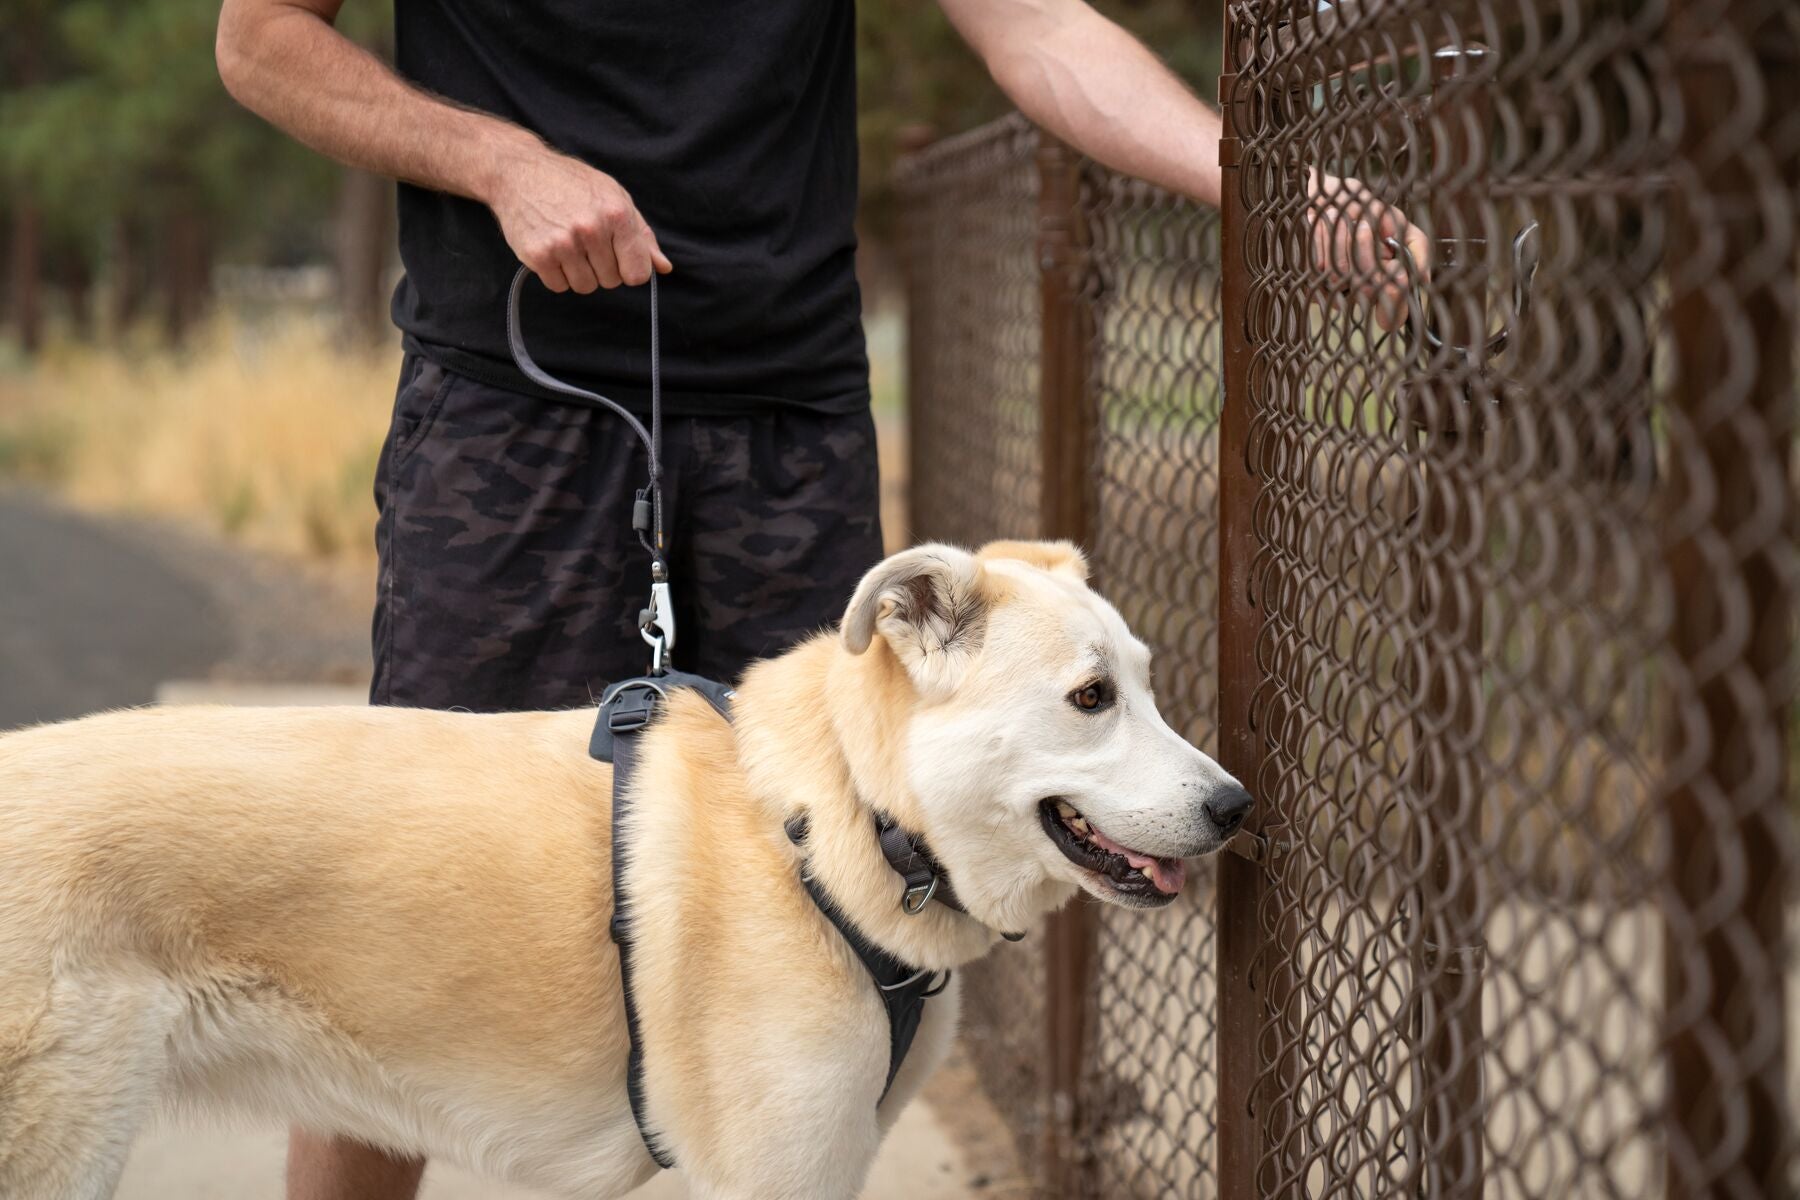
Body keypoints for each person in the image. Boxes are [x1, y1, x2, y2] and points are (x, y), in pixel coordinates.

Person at [213, 0, 1425, 1195]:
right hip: (512, 404)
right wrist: (498, 160)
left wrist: (1262, 182)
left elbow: (1040, 30)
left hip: (790, 419)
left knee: (834, 912)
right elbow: (258, 38)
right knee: (402, 915)